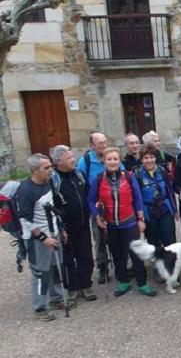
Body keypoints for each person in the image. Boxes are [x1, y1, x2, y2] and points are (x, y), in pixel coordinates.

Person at [88, 148, 156, 297]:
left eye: (115, 159)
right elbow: (91, 200)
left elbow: (137, 198)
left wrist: (140, 219)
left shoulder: (128, 176)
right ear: (104, 161)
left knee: (136, 254)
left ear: (120, 161)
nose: (113, 162)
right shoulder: (99, 179)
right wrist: (97, 216)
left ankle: (142, 283)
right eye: (109, 159)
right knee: (118, 255)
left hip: (129, 223)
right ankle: (123, 281)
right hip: (111, 225)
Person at [17, 154, 74, 321]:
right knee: (40, 272)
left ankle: (56, 298)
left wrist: (60, 229)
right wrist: (43, 238)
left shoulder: (47, 183)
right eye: (46, 168)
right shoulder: (26, 190)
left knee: (56, 267)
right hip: (38, 240)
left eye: (50, 166)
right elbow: (25, 219)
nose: (51, 170)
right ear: (35, 170)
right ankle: (39, 307)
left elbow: (52, 209)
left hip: (53, 233)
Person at [50, 145, 97, 302]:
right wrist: (60, 226)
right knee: (68, 258)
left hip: (83, 224)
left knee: (85, 255)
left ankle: (86, 284)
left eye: (72, 157)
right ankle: (72, 287)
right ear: (58, 162)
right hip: (66, 227)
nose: (73, 160)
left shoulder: (78, 174)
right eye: (69, 158)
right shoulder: (53, 179)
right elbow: (52, 205)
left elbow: (88, 195)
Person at [77, 132, 122, 284]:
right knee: (100, 238)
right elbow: (81, 184)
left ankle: (120, 265)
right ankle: (102, 267)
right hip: (98, 207)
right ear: (92, 146)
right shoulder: (85, 161)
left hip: (117, 204)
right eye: (100, 143)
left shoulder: (112, 156)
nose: (104, 145)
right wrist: (92, 210)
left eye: (105, 142)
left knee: (118, 237)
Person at [134, 145, 178, 252]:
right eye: (146, 158)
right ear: (141, 160)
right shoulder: (137, 174)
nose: (149, 160)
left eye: (151, 157)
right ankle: (158, 265)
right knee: (153, 242)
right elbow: (136, 196)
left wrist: (175, 210)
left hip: (165, 209)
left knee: (169, 239)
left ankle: (171, 265)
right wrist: (139, 218)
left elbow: (170, 191)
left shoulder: (162, 171)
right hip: (149, 212)